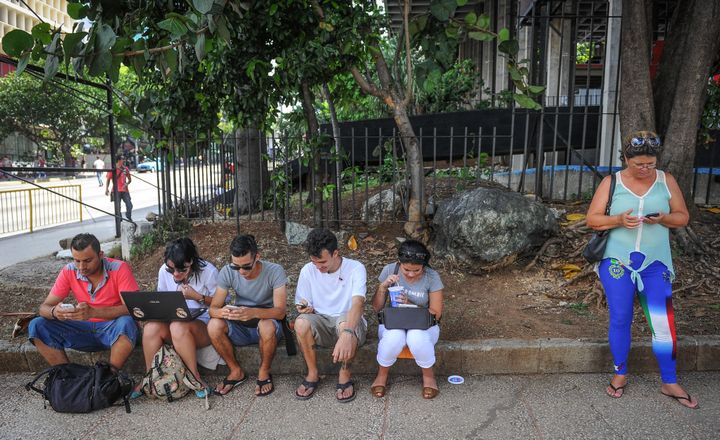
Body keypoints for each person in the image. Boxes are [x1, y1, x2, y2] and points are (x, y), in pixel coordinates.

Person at [586, 130, 697, 409]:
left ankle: (669, 381)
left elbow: (683, 217)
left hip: (655, 262)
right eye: (639, 164)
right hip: (617, 262)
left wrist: (664, 218)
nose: (646, 169)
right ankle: (620, 373)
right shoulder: (612, 182)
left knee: (663, 323)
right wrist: (619, 220)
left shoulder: (666, 180)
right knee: (621, 318)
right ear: (626, 159)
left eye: (650, 163)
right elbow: (593, 219)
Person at [27, 233, 139, 370]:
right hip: (82, 329)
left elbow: (133, 308)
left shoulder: (119, 268)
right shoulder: (69, 271)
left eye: (87, 260)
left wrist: (94, 312)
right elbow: (44, 308)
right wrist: (54, 312)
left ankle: (109, 378)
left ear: (100, 255)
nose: (81, 267)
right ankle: (66, 377)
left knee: (126, 322)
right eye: (77, 261)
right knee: (37, 325)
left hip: (112, 329)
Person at [133, 238, 219, 399]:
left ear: (191, 262)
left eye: (182, 270)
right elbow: (162, 300)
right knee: (151, 327)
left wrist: (198, 297)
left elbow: (222, 303)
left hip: (203, 325)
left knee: (178, 325)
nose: (176, 274)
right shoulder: (164, 271)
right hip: (173, 321)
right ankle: (150, 377)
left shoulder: (209, 271)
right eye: (171, 270)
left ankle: (195, 378)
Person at [207, 234, 287, 397]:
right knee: (213, 325)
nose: (241, 271)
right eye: (236, 267)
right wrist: (225, 312)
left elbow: (280, 312)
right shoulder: (227, 271)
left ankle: (264, 371)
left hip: (266, 324)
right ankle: (235, 371)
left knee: (266, 325)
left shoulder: (274, 271)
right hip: (240, 325)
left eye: (246, 266)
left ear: (257, 257)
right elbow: (213, 309)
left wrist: (254, 312)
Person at [294, 228, 367, 403]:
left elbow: (358, 303)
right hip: (323, 321)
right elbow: (302, 302)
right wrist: (304, 308)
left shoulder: (355, 268)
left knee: (344, 323)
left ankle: (344, 376)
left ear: (336, 253)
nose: (318, 267)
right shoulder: (308, 270)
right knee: (300, 323)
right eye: (314, 262)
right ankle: (312, 374)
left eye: (322, 262)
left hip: (349, 322)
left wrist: (348, 332)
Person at [370, 240, 444, 399]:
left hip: (424, 324)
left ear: (424, 266)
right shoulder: (390, 270)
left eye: (416, 270)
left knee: (416, 338)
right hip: (394, 321)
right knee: (393, 338)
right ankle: (381, 376)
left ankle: (429, 377)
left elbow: (436, 313)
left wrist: (410, 304)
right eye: (406, 270)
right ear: (399, 263)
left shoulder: (431, 277)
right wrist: (383, 287)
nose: (411, 274)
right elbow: (377, 308)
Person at [105, 156, 133, 221]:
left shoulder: (125, 169)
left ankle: (128, 216)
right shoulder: (113, 169)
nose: (124, 160)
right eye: (123, 159)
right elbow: (108, 180)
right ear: (118, 160)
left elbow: (129, 180)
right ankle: (120, 221)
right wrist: (107, 189)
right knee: (118, 207)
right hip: (116, 191)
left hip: (125, 190)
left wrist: (127, 184)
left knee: (129, 205)